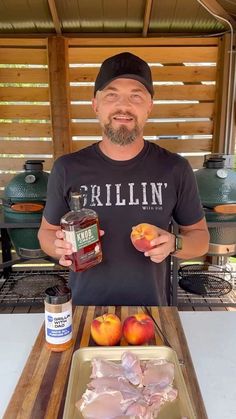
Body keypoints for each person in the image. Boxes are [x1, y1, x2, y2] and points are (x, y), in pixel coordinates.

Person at [38, 51, 209, 306]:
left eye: (136, 96)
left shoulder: (175, 168)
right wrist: (58, 246)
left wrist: (175, 243)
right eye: (112, 94)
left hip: (152, 314)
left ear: (149, 106)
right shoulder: (67, 168)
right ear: (96, 104)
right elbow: (46, 233)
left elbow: (201, 239)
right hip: (85, 313)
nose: (124, 106)